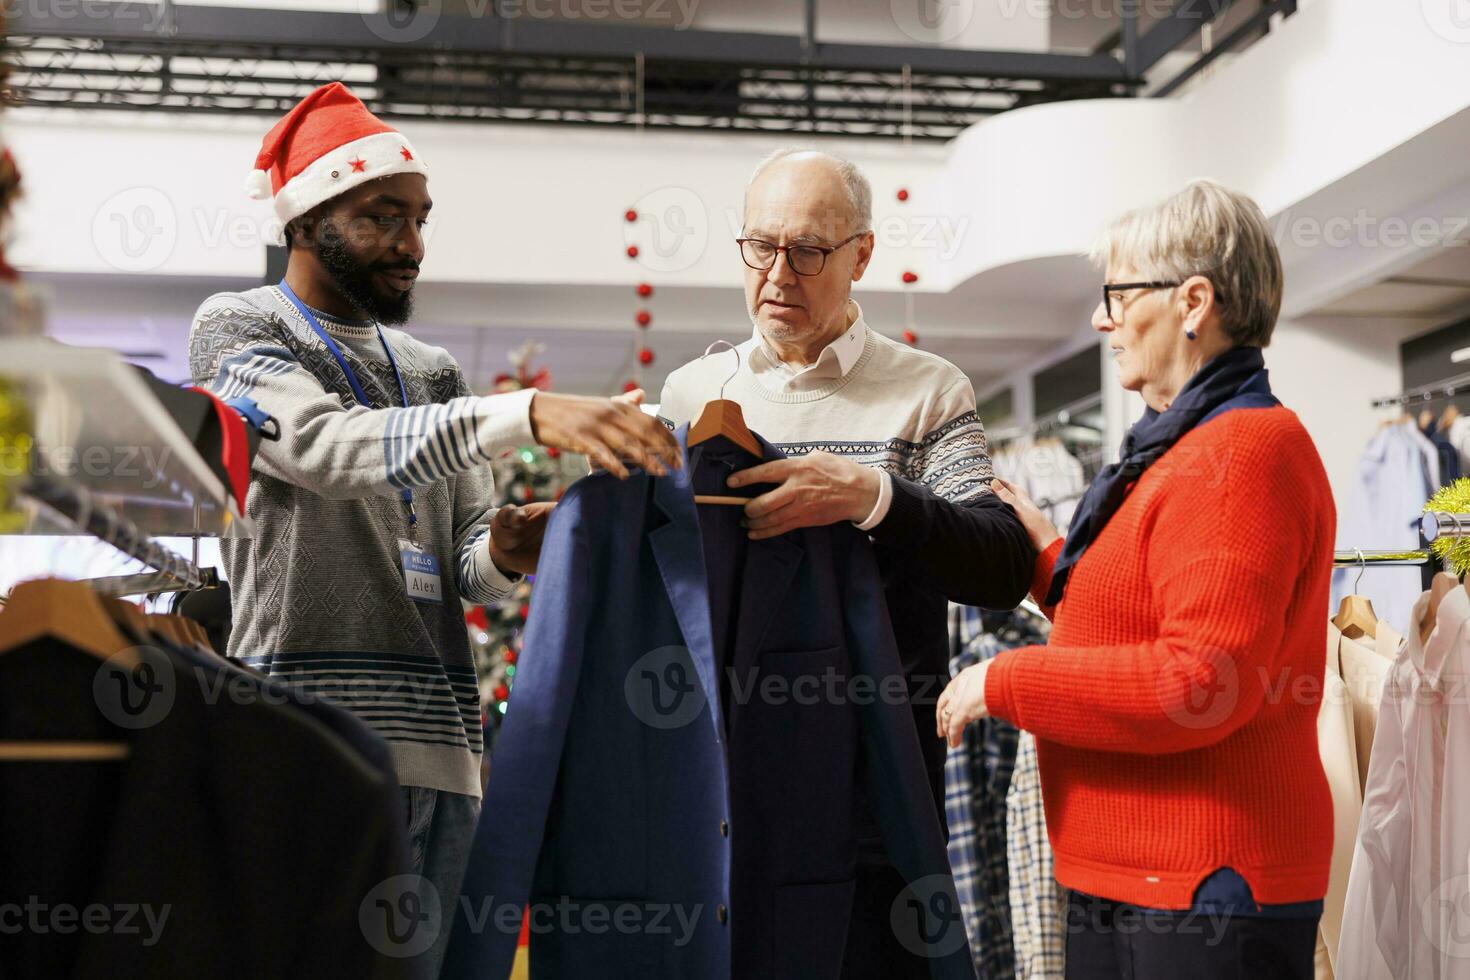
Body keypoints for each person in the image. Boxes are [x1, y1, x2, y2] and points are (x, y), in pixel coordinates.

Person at [187, 82, 678, 977]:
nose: (412, 246)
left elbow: (466, 564)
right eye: (383, 218)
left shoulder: (433, 369)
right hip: (305, 746)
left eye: (420, 219)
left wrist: (512, 546)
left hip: (446, 757)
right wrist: (523, 413)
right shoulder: (239, 326)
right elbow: (322, 448)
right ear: (305, 221)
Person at [936, 179, 1334, 980]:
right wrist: (1053, 565)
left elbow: (1198, 682)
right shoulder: (1178, 452)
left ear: (1193, 302)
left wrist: (1006, 679)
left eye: (1117, 293)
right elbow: (1147, 623)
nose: (1100, 318)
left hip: (1204, 886)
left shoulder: (1239, 454)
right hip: (1142, 878)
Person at [657, 147, 1034, 977]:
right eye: (760, 247)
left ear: (862, 254)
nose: (778, 274)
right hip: (728, 783)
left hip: (880, 787)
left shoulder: (929, 391)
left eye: (809, 251)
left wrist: (873, 494)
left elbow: (1002, 562)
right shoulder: (690, 399)